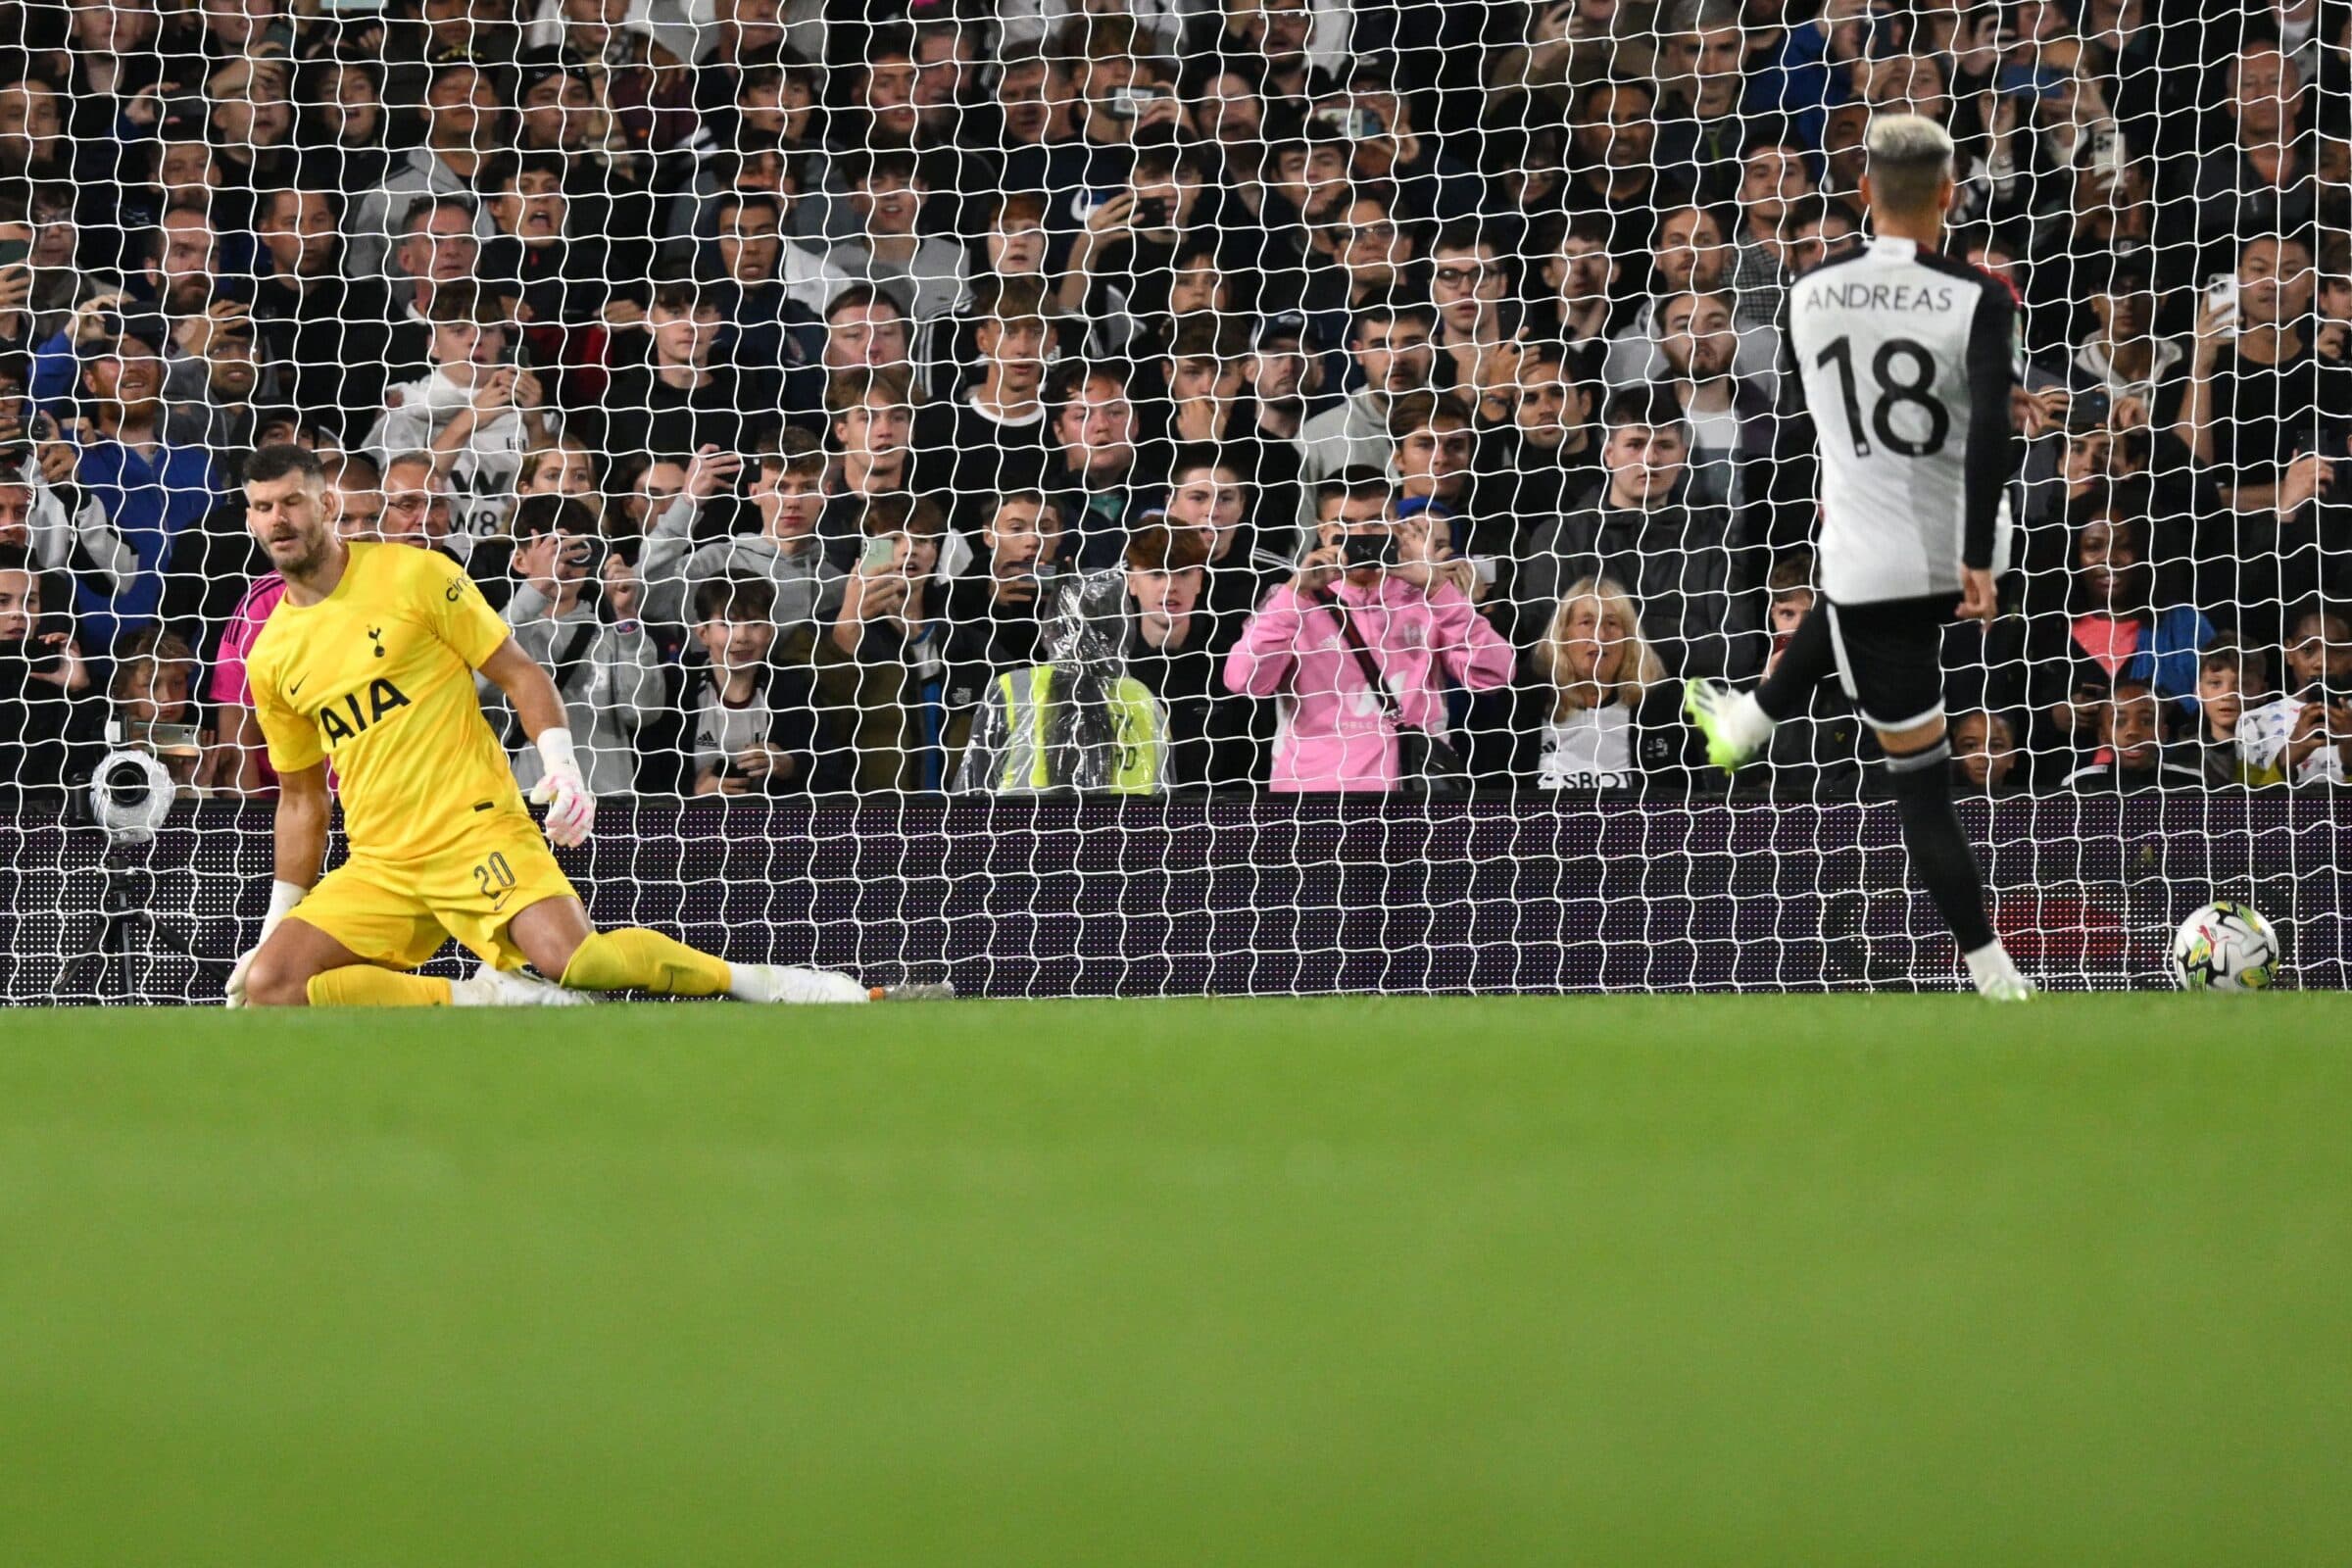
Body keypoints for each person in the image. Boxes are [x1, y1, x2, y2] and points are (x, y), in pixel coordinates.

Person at [222, 445, 936, 1009]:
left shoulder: (412, 575)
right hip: (380, 858)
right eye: (262, 508)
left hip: (474, 829)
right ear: (250, 519)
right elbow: (301, 798)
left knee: (578, 960)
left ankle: (772, 983)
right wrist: (272, 929)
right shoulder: (274, 652)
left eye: (291, 502)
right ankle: (482, 999)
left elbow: (520, 673)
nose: (278, 520)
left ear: (326, 503)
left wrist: (562, 769)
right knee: (274, 986)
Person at [1684, 115, 2034, 1000]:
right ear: (1949, 196)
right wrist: (1975, 552)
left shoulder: (1807, 293)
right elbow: (1989, 427)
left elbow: (1832, 415)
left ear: (1862, 194)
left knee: (1918, 787)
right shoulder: (1981, 297)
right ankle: (1752, 723)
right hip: (1960, 555)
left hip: (1866, 562)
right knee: (1920, 768)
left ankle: (1752, 722)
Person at [1223, 478, 1513, 793]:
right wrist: (1294, 594)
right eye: (1344, 524)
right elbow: (1244, 681)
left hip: (1413, 799)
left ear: (1397, 527)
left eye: (1374, 523)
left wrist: (1435, 588)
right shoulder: (1291, 601)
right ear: (1323, 533)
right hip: (1313, 803)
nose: (1360, 536)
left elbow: (1495, 675)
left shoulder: (1431, 598)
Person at [478, 495, 661, 800]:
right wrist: (535, 589)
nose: (564, 564)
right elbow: (478, 690)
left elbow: (644, 713)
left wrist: (628, 618)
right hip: (520, 810)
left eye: (574, 551)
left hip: (603, 810)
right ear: (520, 560)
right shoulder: (494, 630)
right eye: (553, 550)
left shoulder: (615, 634)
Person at [1526, 576, 1684, 791]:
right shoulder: (1525, 708)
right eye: (1586, 622)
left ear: (1629, 640)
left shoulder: (1662, 715)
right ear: (1563, 634)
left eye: (1612, 623)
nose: (1600, 636)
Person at [2237, 604, 2352, 788]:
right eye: (2308, 649)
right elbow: (2243, 810)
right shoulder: (2255, 722)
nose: (2322, 662)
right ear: (2289, 652)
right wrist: (2287, 756)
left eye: (2337, 651)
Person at [2062, 681, 2204, 793]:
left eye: (2146, 721)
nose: (2133, 731)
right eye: (2119, 722)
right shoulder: (2079, 783)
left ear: (2163, 733)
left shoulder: (2191, 782)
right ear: (2103, 737)